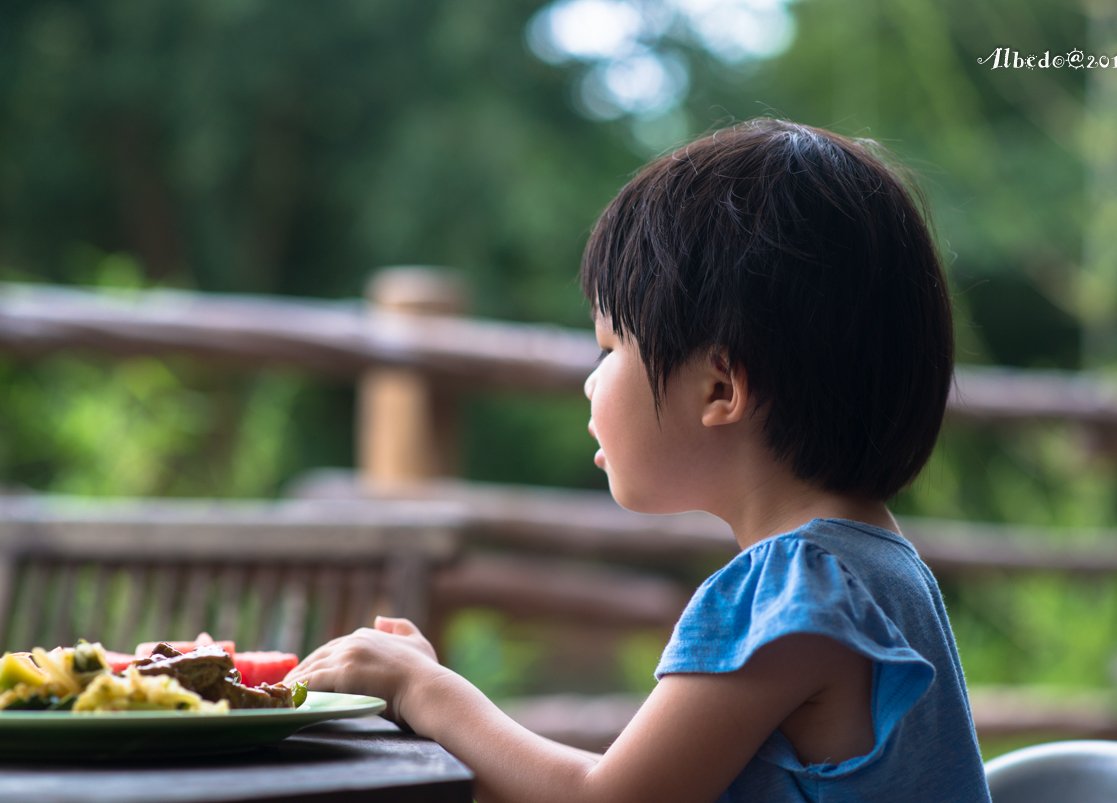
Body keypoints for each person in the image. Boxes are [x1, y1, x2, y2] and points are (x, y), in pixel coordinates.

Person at [287, 119, 991, 802]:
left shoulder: (793, 592)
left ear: (719, 388)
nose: (591, 380)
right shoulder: (883, 569)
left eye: (608, 348)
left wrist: (423, 689)